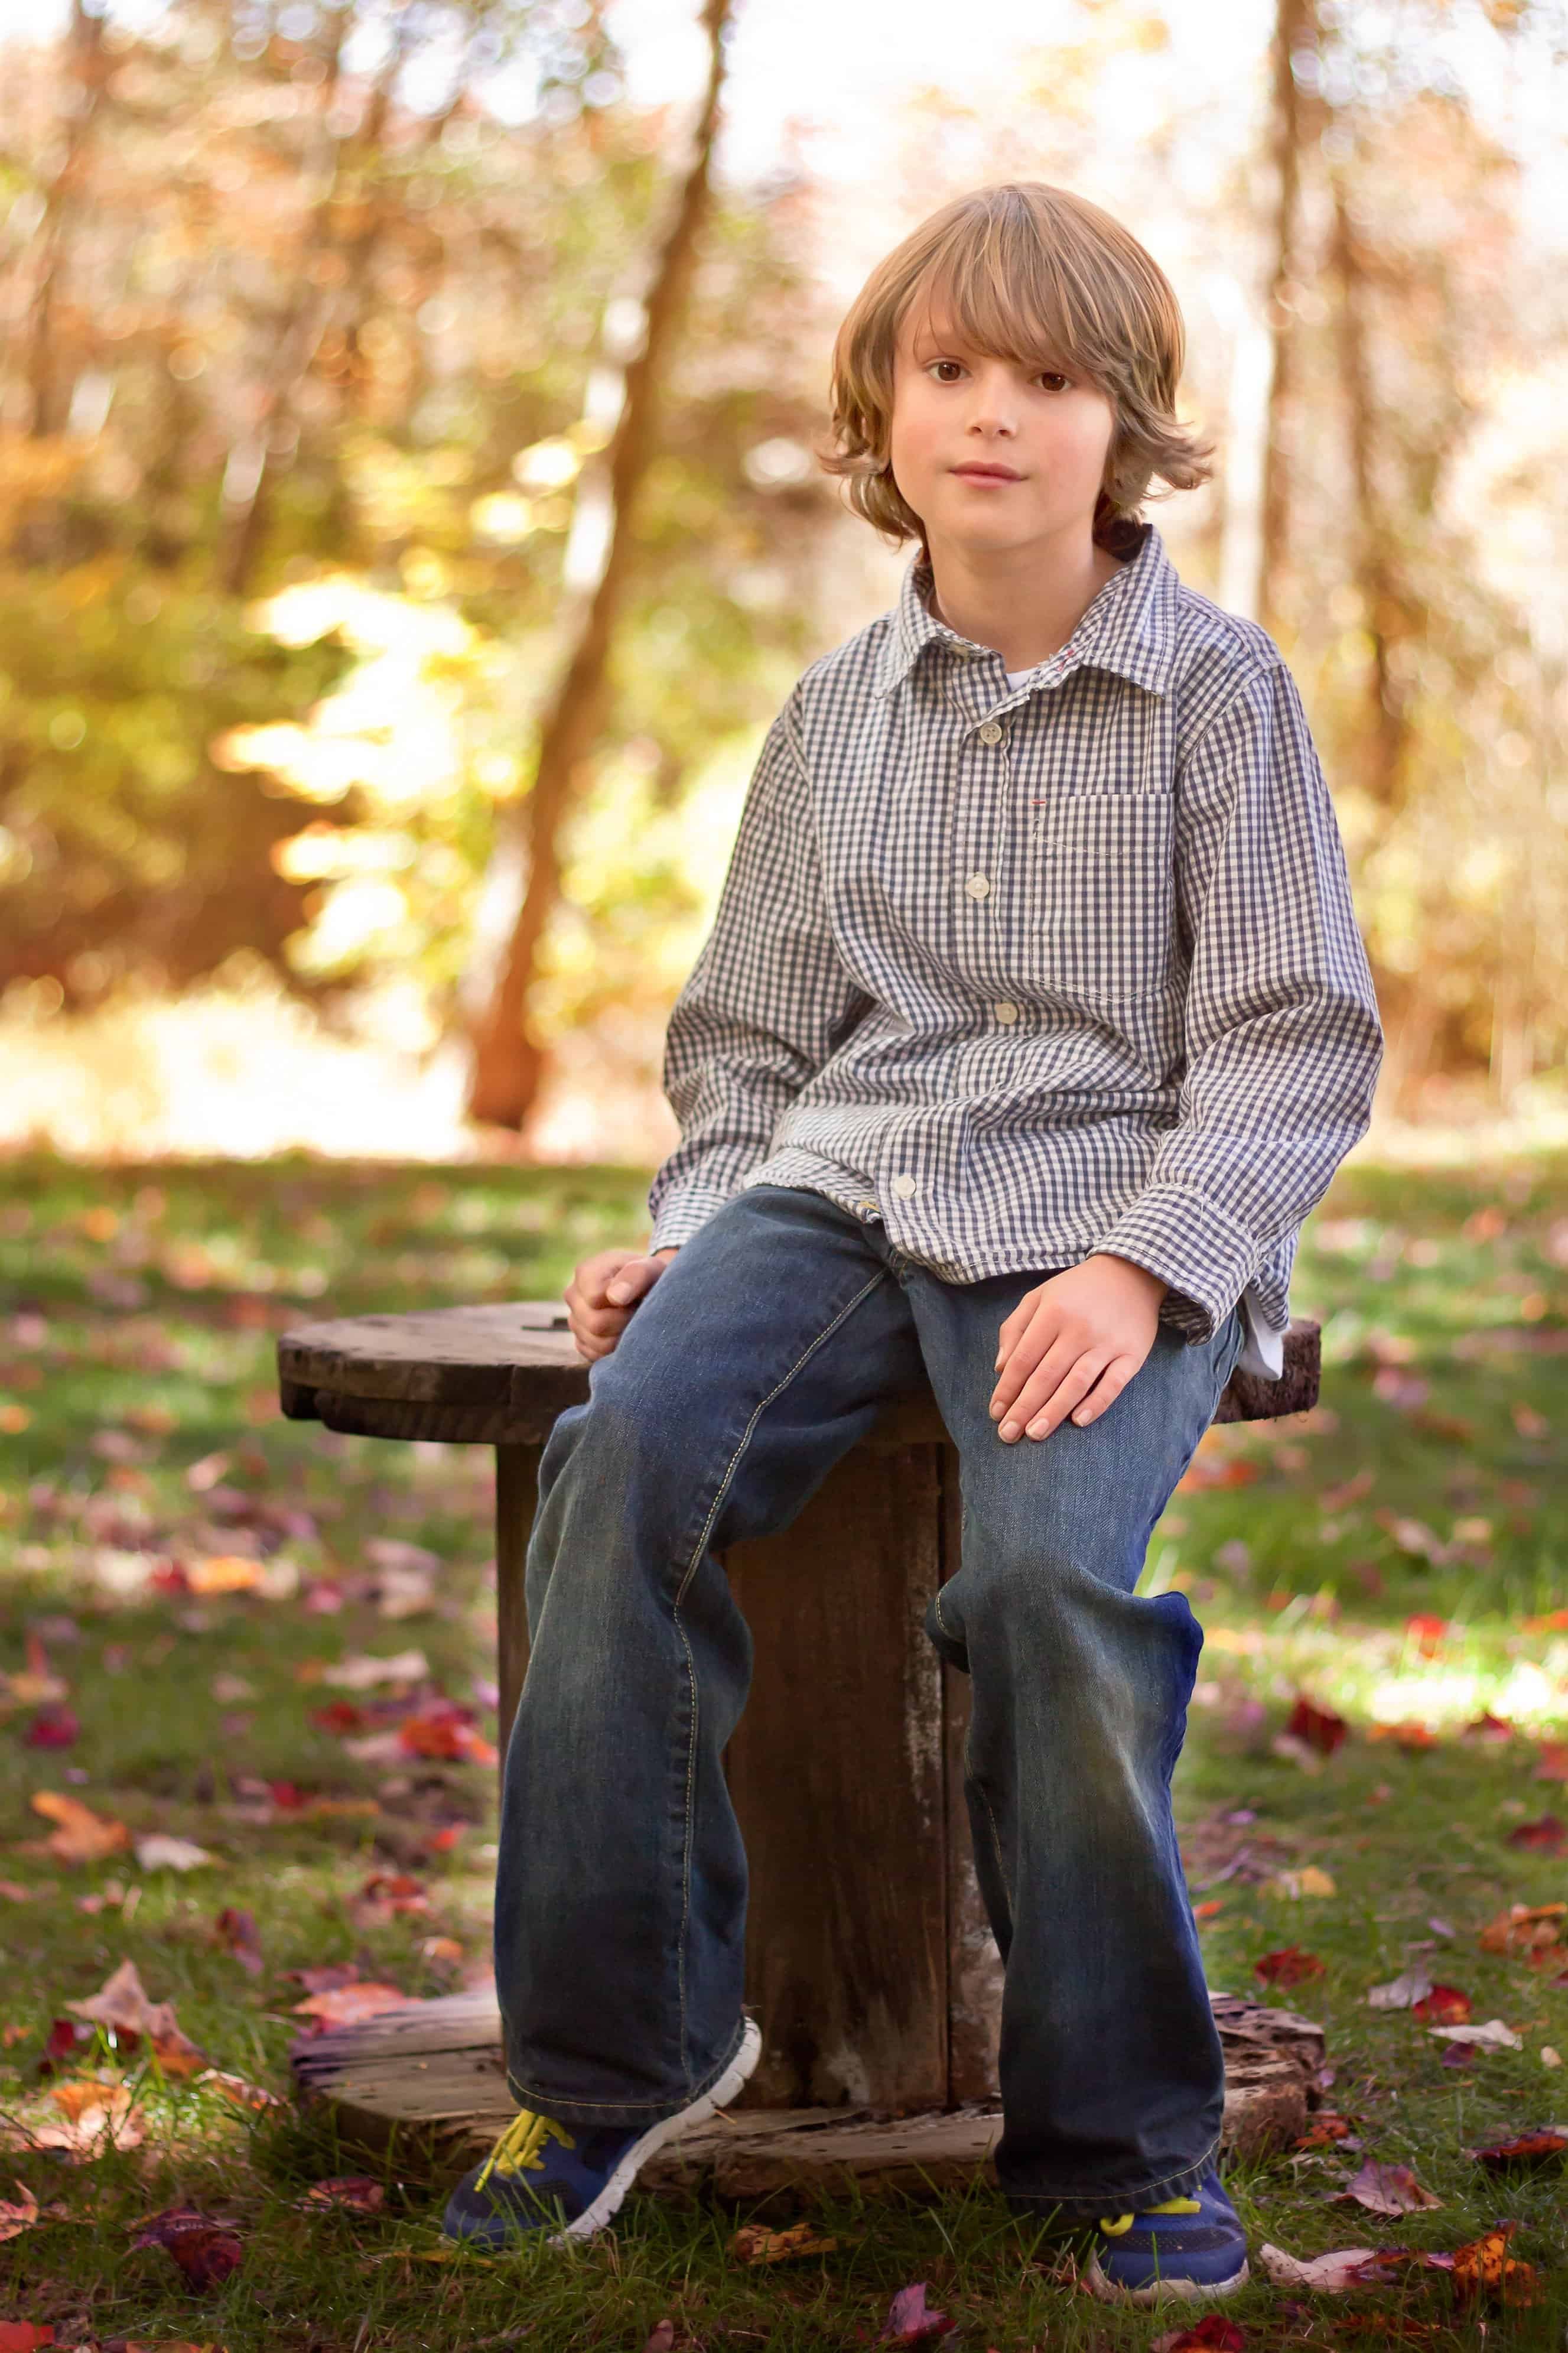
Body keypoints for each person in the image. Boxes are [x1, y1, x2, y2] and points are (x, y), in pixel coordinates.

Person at [442, 180, 1384, 2302]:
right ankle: (614, 2065)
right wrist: (692, 1229)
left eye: (1050, 380)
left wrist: (1151, 1269)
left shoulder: (1221, 702)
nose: (995, 417)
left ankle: (1121, 2142)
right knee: (620, 1467)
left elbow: (1294, 1044)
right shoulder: (832, 722)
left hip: (1112, 1212)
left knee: (1049, 1584)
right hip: (844, 1192)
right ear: (887, 407)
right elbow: (753, 1042)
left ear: (1123, 428)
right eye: (953, 371)